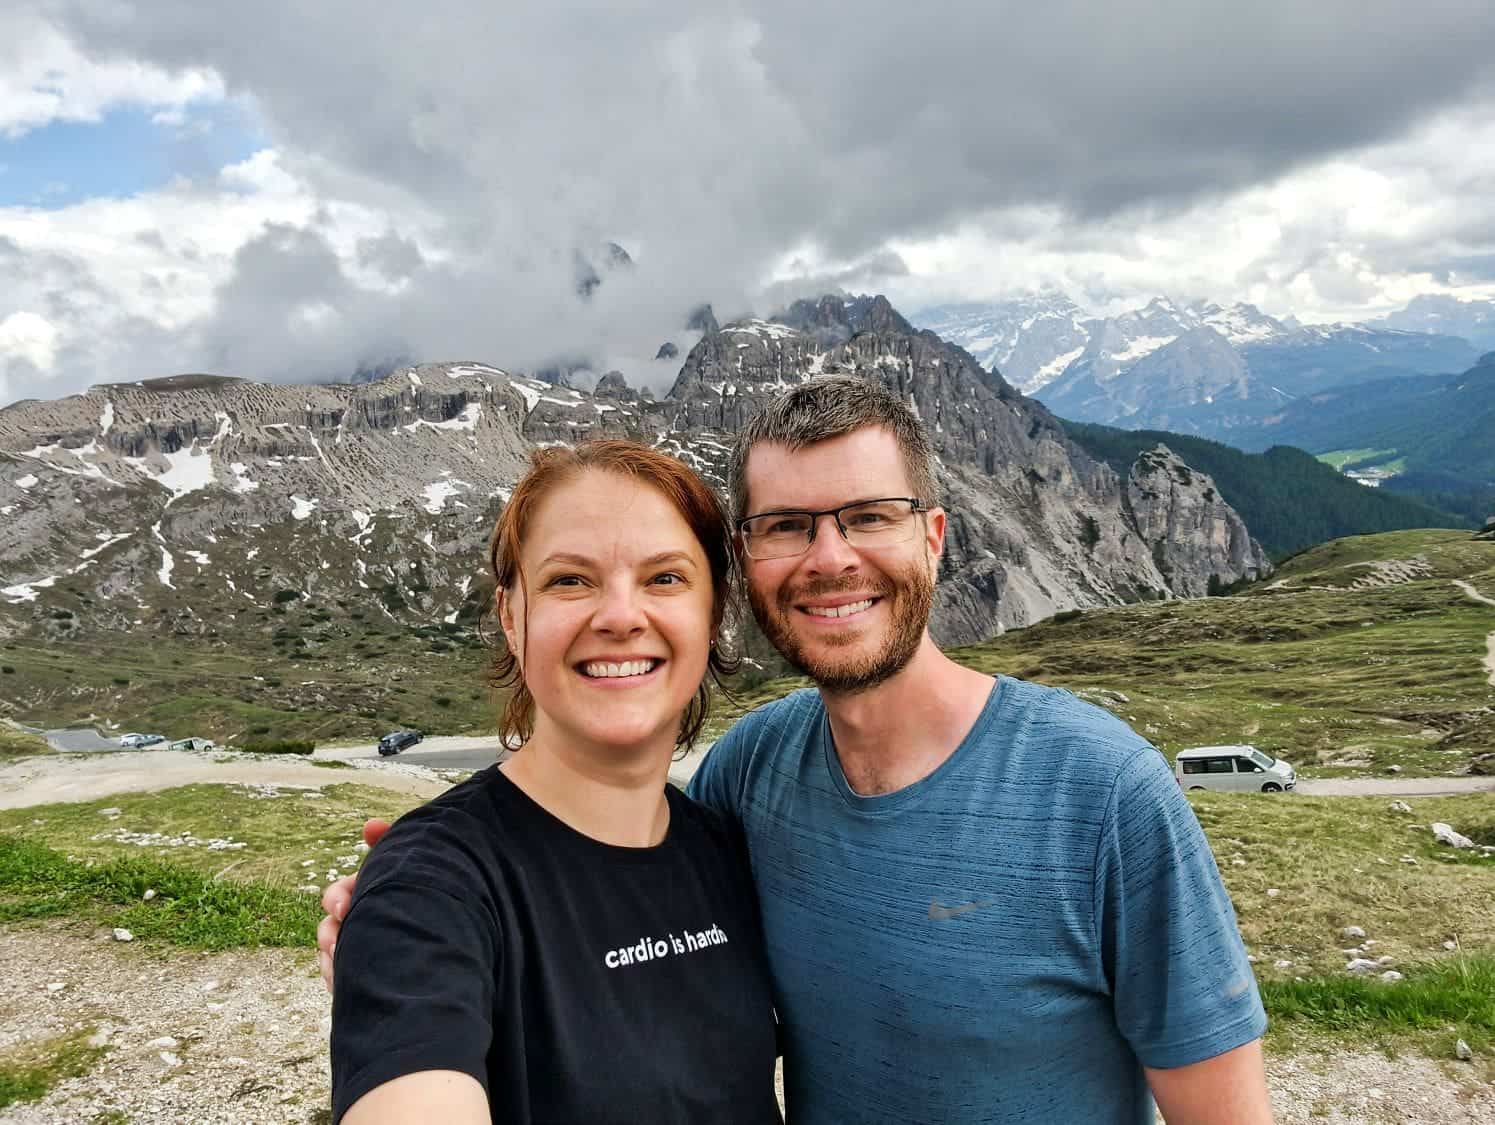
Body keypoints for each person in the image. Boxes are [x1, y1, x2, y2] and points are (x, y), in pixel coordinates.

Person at [323, 377, 1275, 1124]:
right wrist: (391, 942)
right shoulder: (748, 781)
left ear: (934, 536)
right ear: (749, 565)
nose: (830, 558)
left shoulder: (1106, 793)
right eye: (787, 526)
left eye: (867, 515)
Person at [326, 439, 780, 1124]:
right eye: (571, 579)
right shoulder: (432, 883)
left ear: (712, 614)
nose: (621, 616)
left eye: (665, 578)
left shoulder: (726, 847)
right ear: (512, 616)